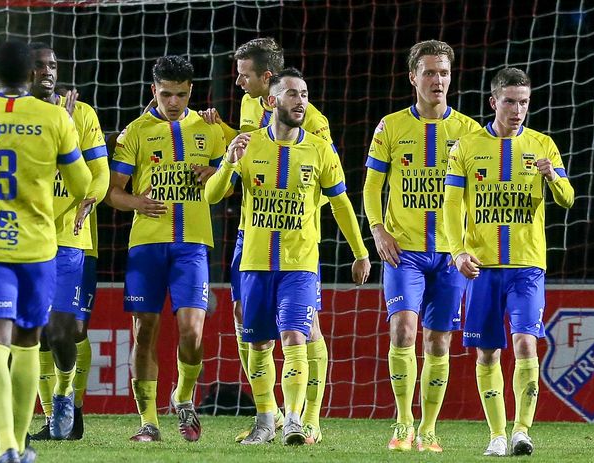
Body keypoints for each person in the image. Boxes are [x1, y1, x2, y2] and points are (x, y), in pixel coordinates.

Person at [0, 40, 91, 463]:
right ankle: (22, 447)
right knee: (27, 344)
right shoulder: (54, 117)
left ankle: (6, 445)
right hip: (36, 248)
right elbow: (81, 187)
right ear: (30, 76)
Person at [205, 68, 371, 446]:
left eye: (305, 94)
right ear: (272, 101)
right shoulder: (247, 146)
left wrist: (360, 252)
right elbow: (213, 196)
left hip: (299, 265)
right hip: (254, 264)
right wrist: (229, 161)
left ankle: (296, 419)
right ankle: (266, 420)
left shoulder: (319, 148)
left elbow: (341, 204)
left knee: (296, 335)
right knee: (259, 344)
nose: (300, 101)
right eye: (293, 94)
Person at [199, 37, 333, 445]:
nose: (238, 81)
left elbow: (328, 183)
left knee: (305, 329)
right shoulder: (247, 107)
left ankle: (308, 418)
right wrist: (220, 135)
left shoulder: (312, 119)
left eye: (244, 75)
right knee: (244, 318)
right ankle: (267, 414)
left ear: (267, 77)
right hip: (251, 234)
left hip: (295, 240)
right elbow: (247, 150)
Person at [444, 67, 574, 457]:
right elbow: (450, 205)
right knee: (487, 353)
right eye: (510, 101)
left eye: (524, 102)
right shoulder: (466, 147)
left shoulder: (544, 146)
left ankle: (521, 430)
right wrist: (458, 251)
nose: (517, 110)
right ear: (493, 101)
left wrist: (553, 177)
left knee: (525, 344)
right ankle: (497, 435)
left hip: (527, 266)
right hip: (481, 268)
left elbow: (568, 199)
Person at [363, 40, 480, 453]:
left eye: (444, 73)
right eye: (430, 72)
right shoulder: (391, 126)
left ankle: (429, 429)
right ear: (413, 77)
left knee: (438, 341)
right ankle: (403, 422)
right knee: (403, 329)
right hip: (404, 251)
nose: (438, 80)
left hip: (450, 255)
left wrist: (468, 245)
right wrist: (377, 229)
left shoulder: (468, 131)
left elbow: (478, 194)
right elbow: (372, 185)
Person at [105, 55, 225, 443]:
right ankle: (148, 423)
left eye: (182, 94)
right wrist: (135, 202)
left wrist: (215, 173)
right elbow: (112, 192)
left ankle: (182, 396)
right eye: (167, 94)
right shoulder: (135, 132)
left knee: (192, 332)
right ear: (153, 90)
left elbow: (231, 181)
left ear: (192, 92)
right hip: (147, 247)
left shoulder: (210, 130)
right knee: (145, 333)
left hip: (191, 246)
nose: (174, 102)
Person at [26, 43, 109, 441]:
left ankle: (68, 404)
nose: (48, 71)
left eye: (53, 65)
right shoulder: (17, 119)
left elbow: (100, 172)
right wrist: (56, 126)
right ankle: (59, 419)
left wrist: (89, 201)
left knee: (68, 330)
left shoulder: (84, 114)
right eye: (39, 65)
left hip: (71, 240)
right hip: (27, 240)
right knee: (40, 332)